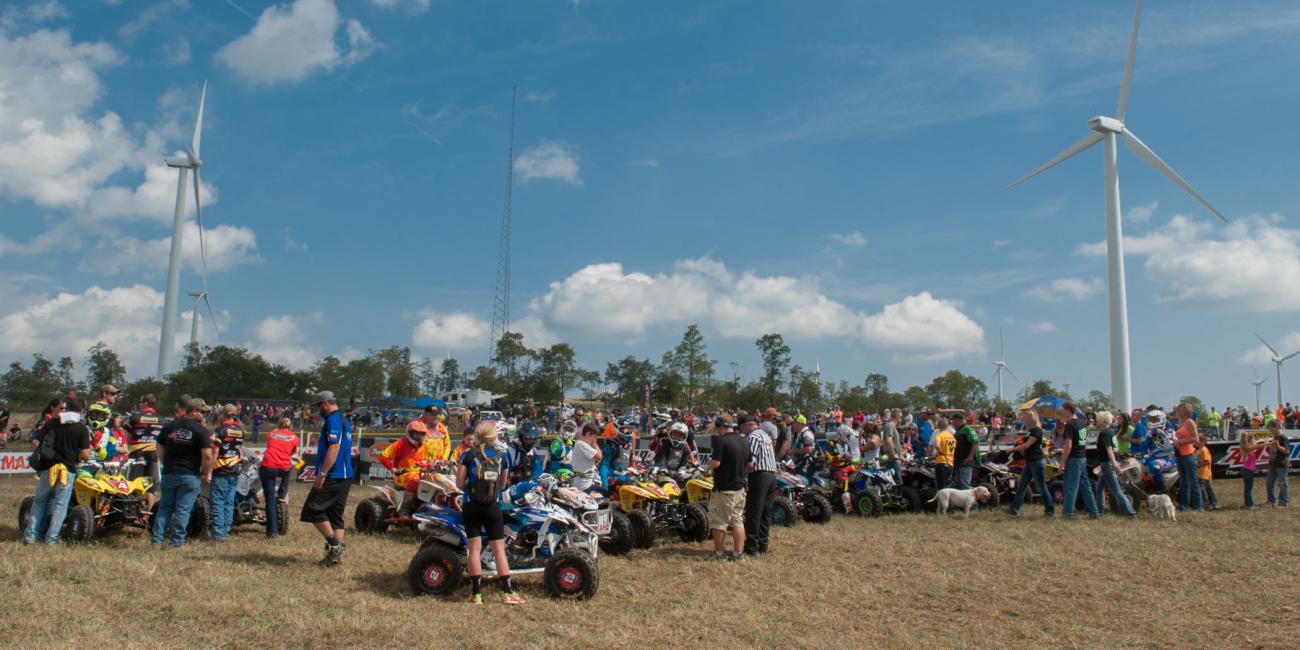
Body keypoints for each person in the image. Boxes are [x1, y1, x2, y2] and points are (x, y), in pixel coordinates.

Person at [456, 421, 524, 604]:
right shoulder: (503, 456)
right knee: (499, 550)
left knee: (474, 549)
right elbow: (503, 485)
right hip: (492, 506)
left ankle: (476, 594)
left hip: (471, 505)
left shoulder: (467, 455)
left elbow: (459, 484)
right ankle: (507, 592)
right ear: (495, 437)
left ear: (477, 437)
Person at [23, 397, 92, 545]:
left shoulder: (53, 422)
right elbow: (86, 454)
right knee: (60, 505)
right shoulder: (81, 428)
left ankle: (30, 536)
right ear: (81, 411)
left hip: (48, 467)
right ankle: (51, 539)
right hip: (67, 470)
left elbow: (35, 441)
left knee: (40, 501)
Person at [153, 398, 215, 548]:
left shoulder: (169, 426)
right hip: (190, 474)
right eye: (203, 412)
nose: (205, 415)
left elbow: (159, 447)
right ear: (193, 412)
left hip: (169, 472)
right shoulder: (201, 430)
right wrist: (206, 472)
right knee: (183, 508)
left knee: (165, 507)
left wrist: (165, 463)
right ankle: (176, 542)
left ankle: (157, 540)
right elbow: (207, 455)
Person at [300, 391, 353, 567]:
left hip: (334, 475)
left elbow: (334, 446)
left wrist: (322, 474)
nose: (317, 410)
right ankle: (333, 558)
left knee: (312, 510)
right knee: (335, 517)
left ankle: (335, 547)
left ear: (324, 404)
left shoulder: (333, 420)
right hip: (345, 476)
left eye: (318, 406)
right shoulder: (344, 419)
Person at [707, 417, 749, 561]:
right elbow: (751, 464)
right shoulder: (744, 440)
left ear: (720, 427)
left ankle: (719, 552)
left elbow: (716, 463)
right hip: (740, 488)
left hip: (724, 489)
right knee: (738, 520)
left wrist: (708, 462)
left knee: (719, 521)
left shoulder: (721, 441)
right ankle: (738, 553)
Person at [379, 420, 441, 517]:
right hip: (403, 475)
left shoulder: (426, 445)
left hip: (423, 474)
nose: (419, 437)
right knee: (415, 480)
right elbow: (382, 457)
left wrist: (436, 463)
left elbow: (434, 459)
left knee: (439, 481)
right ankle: (405, 508)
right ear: (409, 433)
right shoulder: (400, 444)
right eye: (416, 434)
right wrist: (393, 469)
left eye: (421, 434)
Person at [1004, 410, 1053, 518]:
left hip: (1036, 461)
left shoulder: (1037, 430)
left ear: (1031, 418)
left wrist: (1012, 449)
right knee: (1022, 485)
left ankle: (1050, 510)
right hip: (1030, 461)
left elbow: (1027, 445)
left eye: (1026, 417)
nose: (1024, 419)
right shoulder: (1032, 431)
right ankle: (1013, 509)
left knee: (1041, 486)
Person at [207, 404, 245, 541]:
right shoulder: (241, 431)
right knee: (229, 502)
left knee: (218, 502)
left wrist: (209, 471)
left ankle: (218, 534)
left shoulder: (219, 430)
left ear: (223, 415)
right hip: (235, 471)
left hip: (221, 470)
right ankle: (226, 531)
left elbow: (215, 451)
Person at [742, 414, 777, 556]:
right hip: (771, 475)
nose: (741, 430)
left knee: (753, 512)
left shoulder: (753, 437)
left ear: (748, 424)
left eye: (742, 427)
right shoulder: (766, 436)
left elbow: (751, 462)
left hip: (759, 476)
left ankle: (751, 547)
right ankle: (763, 545)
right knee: (765, 513)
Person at [1057, 404, 1100, 519]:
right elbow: (1084, 442)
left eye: (1063, 411)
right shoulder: (1082, 422)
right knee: (1086, 486)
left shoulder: (1070, 425)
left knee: (1071, 487)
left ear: (1068, 411)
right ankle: (1094, 512)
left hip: (1074, 459)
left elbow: (1068, 445)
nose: (1062, 413)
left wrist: (1062, 463)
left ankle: (1068, 513)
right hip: (1082, 457)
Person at [1091, 411, 1136, 519]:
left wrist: (1114, 464)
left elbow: (1109, 449)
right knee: (1099, 487)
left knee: (1117, 491)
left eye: (1097, 418)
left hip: (1108, 464)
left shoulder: (1104, 433)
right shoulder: (1111, 432)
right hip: (1108, 463)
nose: (1096, 420)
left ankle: (1131, 513)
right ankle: (1099, 512)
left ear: (1102, 420)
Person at [260, 417, 299, 538]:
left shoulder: (272, 433)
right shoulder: (294, 437)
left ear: (278, 426)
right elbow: (292, 452)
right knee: (288, 471)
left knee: (270, 500)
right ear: (290, 427)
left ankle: (272, 532)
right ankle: (282, 493)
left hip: (268, 466)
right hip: (283, 467)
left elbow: (271, 446)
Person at [126, 394, 166, 511]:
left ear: (145, 403)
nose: (139, 404)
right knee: (151, 486)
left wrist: (131, 446)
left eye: (140, 402)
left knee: (133, 484)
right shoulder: (161, 419)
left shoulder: (135, 417)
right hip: (154, 454)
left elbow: (129, 436)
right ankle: (148, 514)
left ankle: (132, 512)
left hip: (137, 453)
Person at [1173, 403, 1203, 512]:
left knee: (1193, 482)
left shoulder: (1190, 422)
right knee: (1184, 482)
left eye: (1180, 410)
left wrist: (1181, 441)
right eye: (1178, 410)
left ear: (1186, 411)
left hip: (1189, 455)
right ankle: (1184, 506)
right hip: (1180, 455)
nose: (1178, 412)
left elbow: (1196, 439)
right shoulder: (1181, 423)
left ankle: (1198, 507)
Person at [1238, 427, 1266, 509]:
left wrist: (1262, 441)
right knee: (1248, 488)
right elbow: (1257, 446)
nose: (1254, 440)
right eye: (1253, 439)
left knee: (1247, 488)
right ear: (1250, 440)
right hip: (1248, 470)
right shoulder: (1248, 448)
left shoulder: (1246, 446)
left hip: (1246, 469)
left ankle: (1248, 503)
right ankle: (1249, 505)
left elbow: (1255, 443)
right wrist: (1266, 444)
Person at [952, 413, 981, 490]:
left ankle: (973, 502)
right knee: (959, 485)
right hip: (958, 462)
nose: (952, 423)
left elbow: (976, 442)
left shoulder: (967, 429)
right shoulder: (957, 432)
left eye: (953, 421)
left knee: (965, 485)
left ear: (959, 421)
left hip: (966, 462)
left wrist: (970, 457)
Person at [1265, 420, 1290, 507]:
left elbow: (1286, 451)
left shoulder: (1283, 437)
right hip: (1272, 463)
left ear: (1276, 427)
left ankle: (1283, 503)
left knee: (1283, 483)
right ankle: (1271, 501)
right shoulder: (1275, 437)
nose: (1270, 431)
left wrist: (1278, 446)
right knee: (1269, 482)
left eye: (1271, 429)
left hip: (1281, 464)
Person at [570, 423, 602, 491]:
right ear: (588, 434)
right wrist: (595, 445)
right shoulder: (582, 445)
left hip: (584, 481)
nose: (595, 439)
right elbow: (599, 457)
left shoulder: (579, 444)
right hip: (584, 485)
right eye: (594, 436)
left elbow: (596, 460)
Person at [928, 417, 957, 493]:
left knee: (941, 487)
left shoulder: (939, 435)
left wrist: (940, 451)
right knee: (946, 485)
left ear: (938, 426)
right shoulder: (952, 437)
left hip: (941, 462)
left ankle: (942, 504)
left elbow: (936, 445)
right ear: (947, 426)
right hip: (950, 463)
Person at [1196, 435, 1218, 510]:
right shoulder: (1198, 450)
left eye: (1197, 440)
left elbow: (1207, 461)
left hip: (1204, 473)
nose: (1196, 442)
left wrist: (1197, 465)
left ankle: (1207, 504)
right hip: (1199, 473)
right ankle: (1213, 503)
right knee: (1207, 488)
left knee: (1203, 489)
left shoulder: (1204, 450)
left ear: (1202, 442)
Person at [883, 410, 904, 485]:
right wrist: (893, 454)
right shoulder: (890, 425)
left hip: (894, 459)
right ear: (897, 416)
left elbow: (894, 443)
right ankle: (898, 496)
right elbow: (889, 440)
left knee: (895, 482)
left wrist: (902, 457)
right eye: (901, 416)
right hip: (892, 460)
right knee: (897, 483)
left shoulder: (892, 426)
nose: (901, 418)